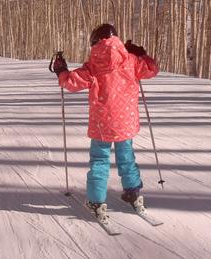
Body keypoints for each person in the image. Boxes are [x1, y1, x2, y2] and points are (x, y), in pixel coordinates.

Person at [52, 24, 159, 220]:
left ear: (94, 42)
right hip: (125, 123)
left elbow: (70, 83)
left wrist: (61, 70)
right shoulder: (131, 61)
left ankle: (97, 200)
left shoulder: (93, 66)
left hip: (102, 126)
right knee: (127, 158)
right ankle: (133, 192)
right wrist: (141, 54)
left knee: (100, 161)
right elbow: (152, 69)